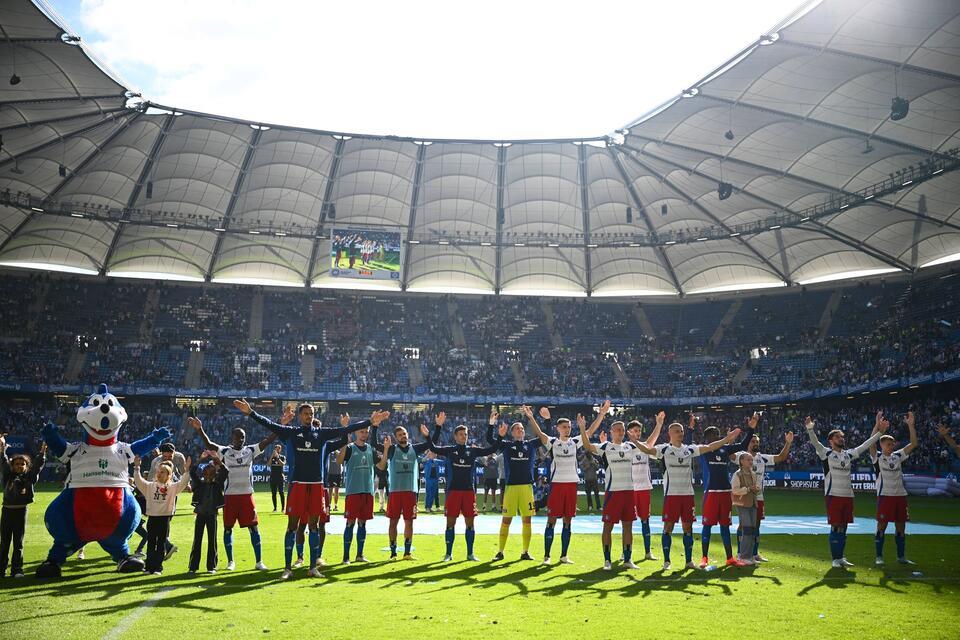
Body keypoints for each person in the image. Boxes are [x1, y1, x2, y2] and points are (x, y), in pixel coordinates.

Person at [234, 398, 388, 579]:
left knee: (314, 526)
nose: (309, 416)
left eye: (311, 414)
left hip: (316, 486)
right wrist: (251, 412)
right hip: (298, 485)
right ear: (300, 416)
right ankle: (287, 568)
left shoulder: (321, 434)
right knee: (292, 527)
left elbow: (345, 430)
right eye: (306, 414)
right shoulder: (293, 432)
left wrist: (370, 422)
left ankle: (313, 567)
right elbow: (270, 425)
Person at [633, 418, 741, 572]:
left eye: (682, 431)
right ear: (670, 433)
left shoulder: (689, 450)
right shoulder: (663, 449)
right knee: (668, 527)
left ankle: (689, 561)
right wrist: (635, 441)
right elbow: (647, 450)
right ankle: (667, 561)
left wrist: (726, 439)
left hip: (688, 495)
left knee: (688, 528)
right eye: (677, 431)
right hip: (671, 495)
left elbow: (710, 447)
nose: (680, 433)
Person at [188, 415, 277, 571]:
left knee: (254, 528)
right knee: (228, 528)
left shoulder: (250, 450)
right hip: (229, 496)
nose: (240, 439)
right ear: (232, 438)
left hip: (247, 495)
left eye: (242, 437)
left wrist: (280, 425)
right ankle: (230, 562)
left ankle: (259, 561)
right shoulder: (224, 451)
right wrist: (199, 429)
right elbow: (209, 444)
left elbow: (268, 440)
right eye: (237, 437)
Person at [805, 412, 887, 568]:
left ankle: (841, 557)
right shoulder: (826, 453)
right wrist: (810, 428)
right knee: (836, 526)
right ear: (831, 441)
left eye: (842, 437)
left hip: (848, 496)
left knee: (844, 527)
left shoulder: (848, 455)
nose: (841, 439)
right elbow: (815, 442)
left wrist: (879, 432)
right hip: (833, 496)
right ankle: (835, 559)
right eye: (838, 437)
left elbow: (865, 445)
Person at [533, 401, 608, 565]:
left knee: (568, 521)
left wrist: (601, 414)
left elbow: (590, 431)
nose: (567, 429)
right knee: (551, 521)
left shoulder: (575, 442)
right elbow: (539, 433)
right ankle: (547, 556)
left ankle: (564, 556)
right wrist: (532, 417)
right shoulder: (553, 442)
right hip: (557, 486)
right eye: (564, 427)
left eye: (569, 427)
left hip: (571, 486)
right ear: (558, 429)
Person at [427, 411, 498, 561]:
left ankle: (470, 554)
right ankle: (448, 554)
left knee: (470, 524)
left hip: (468, 492)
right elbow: (432, 447)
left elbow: (492, 449)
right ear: (455, 436)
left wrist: (491, 425)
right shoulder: (449, 450)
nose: (463, 436)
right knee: (450, 523)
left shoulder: (473, 450)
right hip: (453, 491)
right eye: (460, 434)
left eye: (465, 434)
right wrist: (438, 426)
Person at [697, 412, 756, 569]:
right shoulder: (703, 450)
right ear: (707, 437)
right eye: (713, 434)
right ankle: (704, 558)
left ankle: (730, 558)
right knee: (707, 526)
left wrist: (751, 429)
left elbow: (743, 446)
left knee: (725, 526)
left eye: (717, 433)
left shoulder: (725, 449)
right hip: (711, 493)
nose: (716, 436)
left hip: (725, 493)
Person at [491, 407, 542, 562]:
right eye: (517, 428)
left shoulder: (531, 445)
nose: (520, 430)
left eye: (522, 428)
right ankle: (500, 552)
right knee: (506, 520)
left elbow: (543, 436)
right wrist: (491, 425)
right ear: (512, 433)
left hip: (527, 487)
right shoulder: (507, 445)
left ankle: (525, 552)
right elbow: (491, 442)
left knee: (527, 520)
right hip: (511, 487)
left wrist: (536, 419)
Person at [734, 430, 794, 562]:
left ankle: (754, 553)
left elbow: (781, 457)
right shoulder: (741, 456)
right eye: (752, 441)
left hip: (759, 497)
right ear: (747, 443)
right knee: (744, 525)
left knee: (756, 525)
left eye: (757, 442)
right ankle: (740, 553)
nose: (755, 443)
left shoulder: (762, 458)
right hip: (744, 497)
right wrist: (730, 440)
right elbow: (730, 455)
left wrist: (788, 443)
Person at [376, 424, 431, 560]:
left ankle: (407, 553)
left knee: (409, 522)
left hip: (410, 492)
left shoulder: (414, 449)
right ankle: (393, 553)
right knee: (393, 522)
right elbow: (374, 444)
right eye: (400, 435)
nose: (403, 436)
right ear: (396, 437)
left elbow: (431, 445)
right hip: (395, 491)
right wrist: (375, 427)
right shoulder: (392, 449)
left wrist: (429, 435)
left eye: (405, 434)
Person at [871, 411, 919, 566]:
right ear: (881, 445)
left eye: (892, 444)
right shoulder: (877, 458)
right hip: (885, 496)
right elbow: (871, 444)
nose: (891, 447)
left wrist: (911, 426)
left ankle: (901, 556)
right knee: (881, 527)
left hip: (900, 496)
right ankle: (879, 556)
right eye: (888, 444)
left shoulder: (898, 456)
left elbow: (913, 444)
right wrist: (877, 426)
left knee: (901, 527)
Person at [132, 454, 192, 575]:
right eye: (158, 472)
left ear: (169, 475)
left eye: (163, 472)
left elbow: (183, 483)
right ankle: (148, 567)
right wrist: (137, 467)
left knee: (161, 544)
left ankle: (158, 568)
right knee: (151, 543)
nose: (159, 474)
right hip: (152, 518)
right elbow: (138, 481)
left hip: (164, 519)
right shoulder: (150, 486)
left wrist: (186, 471)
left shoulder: (172, 487)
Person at [596, 421, 641, 570]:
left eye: (622, 430)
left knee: (628, 526)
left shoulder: (631, 446)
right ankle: (607, 560)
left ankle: (628, 559)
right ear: (611, 432)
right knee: (608, 526)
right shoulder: (605, 447)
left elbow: (648, 447)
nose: (620, 432)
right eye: (617, 430)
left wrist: (658, 425)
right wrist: (583, 428)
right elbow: (588, 446)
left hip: (629, 492)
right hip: (613, 492)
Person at [0, 436, 45, 578]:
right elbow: (3, 462)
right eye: (17, 464)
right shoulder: (8, 476)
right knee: (4, 542)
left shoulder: (29, 478)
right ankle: (1, 570)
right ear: (12, 466)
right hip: (7, 511)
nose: (20, 466)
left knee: (18, 543)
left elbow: (37, 467)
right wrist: (2, 450)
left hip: (21, 511)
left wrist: (42, 452)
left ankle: (17, 570)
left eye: (23, 464)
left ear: (26, 466)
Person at [626, 411, 665, 562]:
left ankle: (648, 552)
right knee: (627, 523)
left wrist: (659, 424)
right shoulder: (624, 448)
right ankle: (625, 552)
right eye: (634, 431)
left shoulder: (645, 447)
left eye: (639, 431)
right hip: (629, 490)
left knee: (645, 520)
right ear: (629, 432)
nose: (637, 433)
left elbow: (652, 440)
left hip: (644, 489)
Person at [337, 425, 379, 563]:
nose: (364, 434)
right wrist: (344, 444)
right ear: (356, 432)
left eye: (366, 432)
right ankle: (346, 557)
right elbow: (339, 461)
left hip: (367, 491)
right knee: (350, 523)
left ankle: (359, 555)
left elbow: (381, 465)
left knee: (362, 523)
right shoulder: (350, 448)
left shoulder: (371, 449)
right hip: (353, 491)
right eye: (362, 431)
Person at [188, 451, 227, 574]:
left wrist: (217, 460)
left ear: (215, 474)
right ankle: (193, 567)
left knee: (212, 540)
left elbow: (225, 471)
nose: (208, 475)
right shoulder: (199, 483)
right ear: (203, 473)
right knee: (197, 540)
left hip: (212, 515)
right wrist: (200, 459)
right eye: (206, 473)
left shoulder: (217, 484)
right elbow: (192, 471)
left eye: (211, 473)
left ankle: (211, 567)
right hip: (200, 514)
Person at [730, 453, 760, 566]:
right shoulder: (737, 474)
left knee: (752, 529)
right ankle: (743, 556)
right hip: (742, 504)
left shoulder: (753, 474)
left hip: (753, 503)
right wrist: (748, 489)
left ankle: (750, 556)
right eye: (748, 460)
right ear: (741, 461)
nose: (751, 462)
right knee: (747, 529)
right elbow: (735, 490)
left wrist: (756, 489)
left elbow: (756, 487)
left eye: (751, 460)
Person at [268, 444, 286, 512]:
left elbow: (282, 464)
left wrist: (277, 457)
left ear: (280, 450)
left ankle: (283, 508)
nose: (277, 450)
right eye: (276, 448)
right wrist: (272, 456)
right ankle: (275, 508)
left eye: (278, 449)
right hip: (273, 477)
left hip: (280, 477)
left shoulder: (282, 457)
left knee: (281, 492)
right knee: (274, 493)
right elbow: (269, 464)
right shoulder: (272, 457)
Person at [422, 449, 440, 513]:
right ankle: (427, 507)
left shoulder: (436, 461)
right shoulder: (426, 461)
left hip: (435, 479)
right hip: (429, 479)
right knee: (429, 494)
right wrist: (427, 454)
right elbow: (422, 460)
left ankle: (430, 507)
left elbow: (444, 462)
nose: (434, 455)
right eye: (432, 454)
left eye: (434, 454)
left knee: (433, 494)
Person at [327, 449, 343, 513]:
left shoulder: (339, 453)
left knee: (336, 491)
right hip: (330, 474)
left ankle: (335, 506)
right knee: (330, 491)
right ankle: (329, 505)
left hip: (337, 474)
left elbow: (341, 462)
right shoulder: (329, 454)